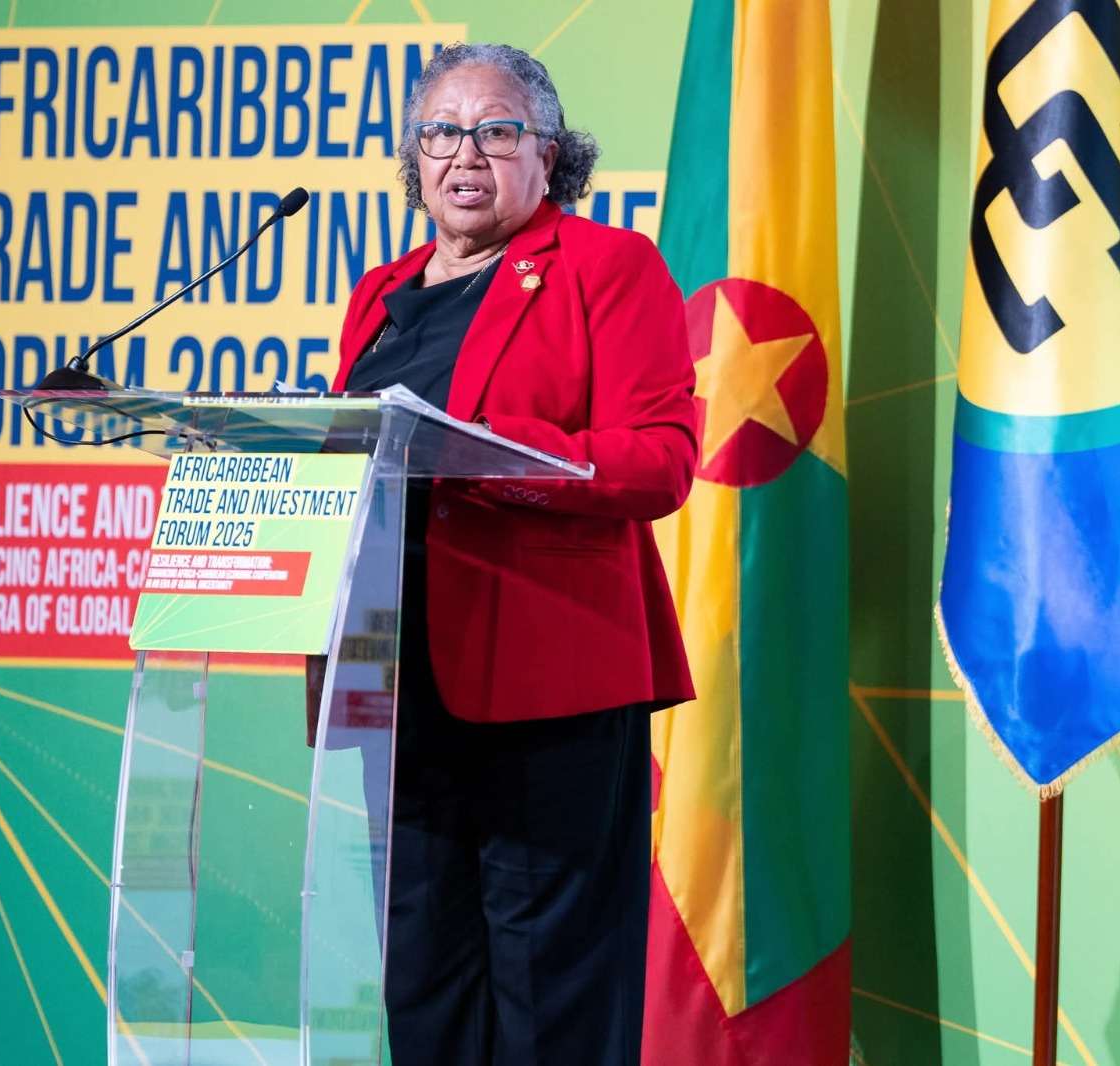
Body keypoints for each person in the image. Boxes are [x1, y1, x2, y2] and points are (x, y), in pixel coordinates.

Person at [329, 41, 696, 1066]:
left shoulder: (606, 268)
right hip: (394, 679)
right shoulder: (380, 292)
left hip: (548, 682)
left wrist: (487, 454)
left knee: (551, 991)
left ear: (550, 155)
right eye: (441, 132)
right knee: (422, 976)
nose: (465, 154)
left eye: (497, 131)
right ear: (414, 158)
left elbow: (661, 461)